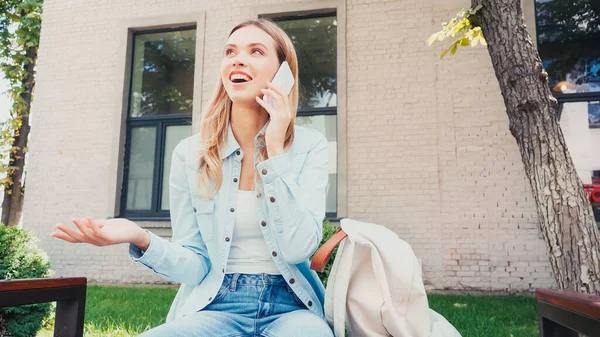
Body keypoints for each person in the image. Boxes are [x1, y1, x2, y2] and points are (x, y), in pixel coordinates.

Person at [51, 18, 333, 337]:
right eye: (230, 51)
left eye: (256, 51)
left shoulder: (310, 147)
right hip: (216, 305)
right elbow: (195, 264)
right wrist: (139, 236)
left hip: (292, 307)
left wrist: (275, 151)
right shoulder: (190, 154)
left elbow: (298, 249)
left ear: (283, 75)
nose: (238, 59)